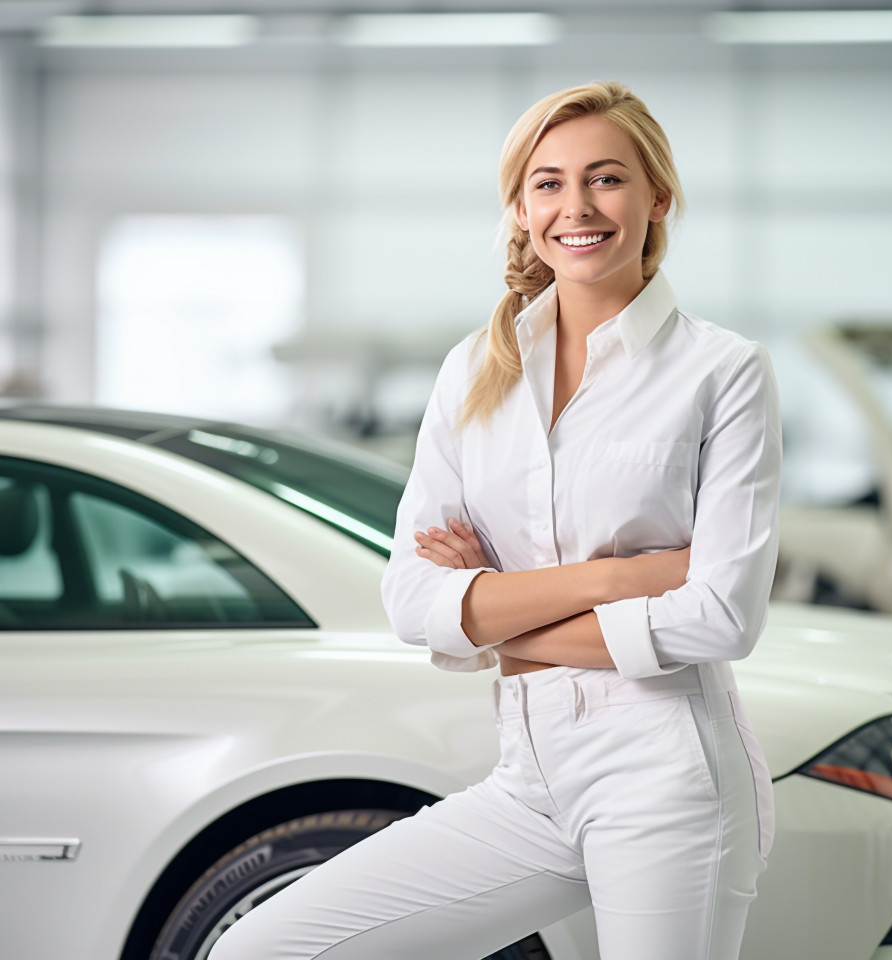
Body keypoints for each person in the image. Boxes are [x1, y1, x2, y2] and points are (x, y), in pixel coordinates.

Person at [210, 79, 781, 960]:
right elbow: (410, 596)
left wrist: (496, 622)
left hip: (670, 781)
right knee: (265, 948)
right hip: (529, 779)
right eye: (548, 183)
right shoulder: (476, 367)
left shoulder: (723, 371)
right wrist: (618, 579)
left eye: (606, 178)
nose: (576, 207)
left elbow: (719, 616)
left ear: (657, 195)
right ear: (520, 207)